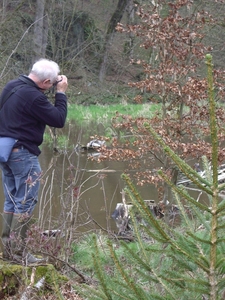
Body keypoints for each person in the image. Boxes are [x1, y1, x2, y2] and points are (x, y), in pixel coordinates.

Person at [0, 58, 68, 265]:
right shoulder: (33, 97)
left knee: (11, 200)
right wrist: (61, 93)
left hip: (5, 151)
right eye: (52, 83)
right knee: (26, 201)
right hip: (22, 153)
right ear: (47, 82)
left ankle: (8, 251)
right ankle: (20, 254)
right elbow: (58, 119)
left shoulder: (12, 85)